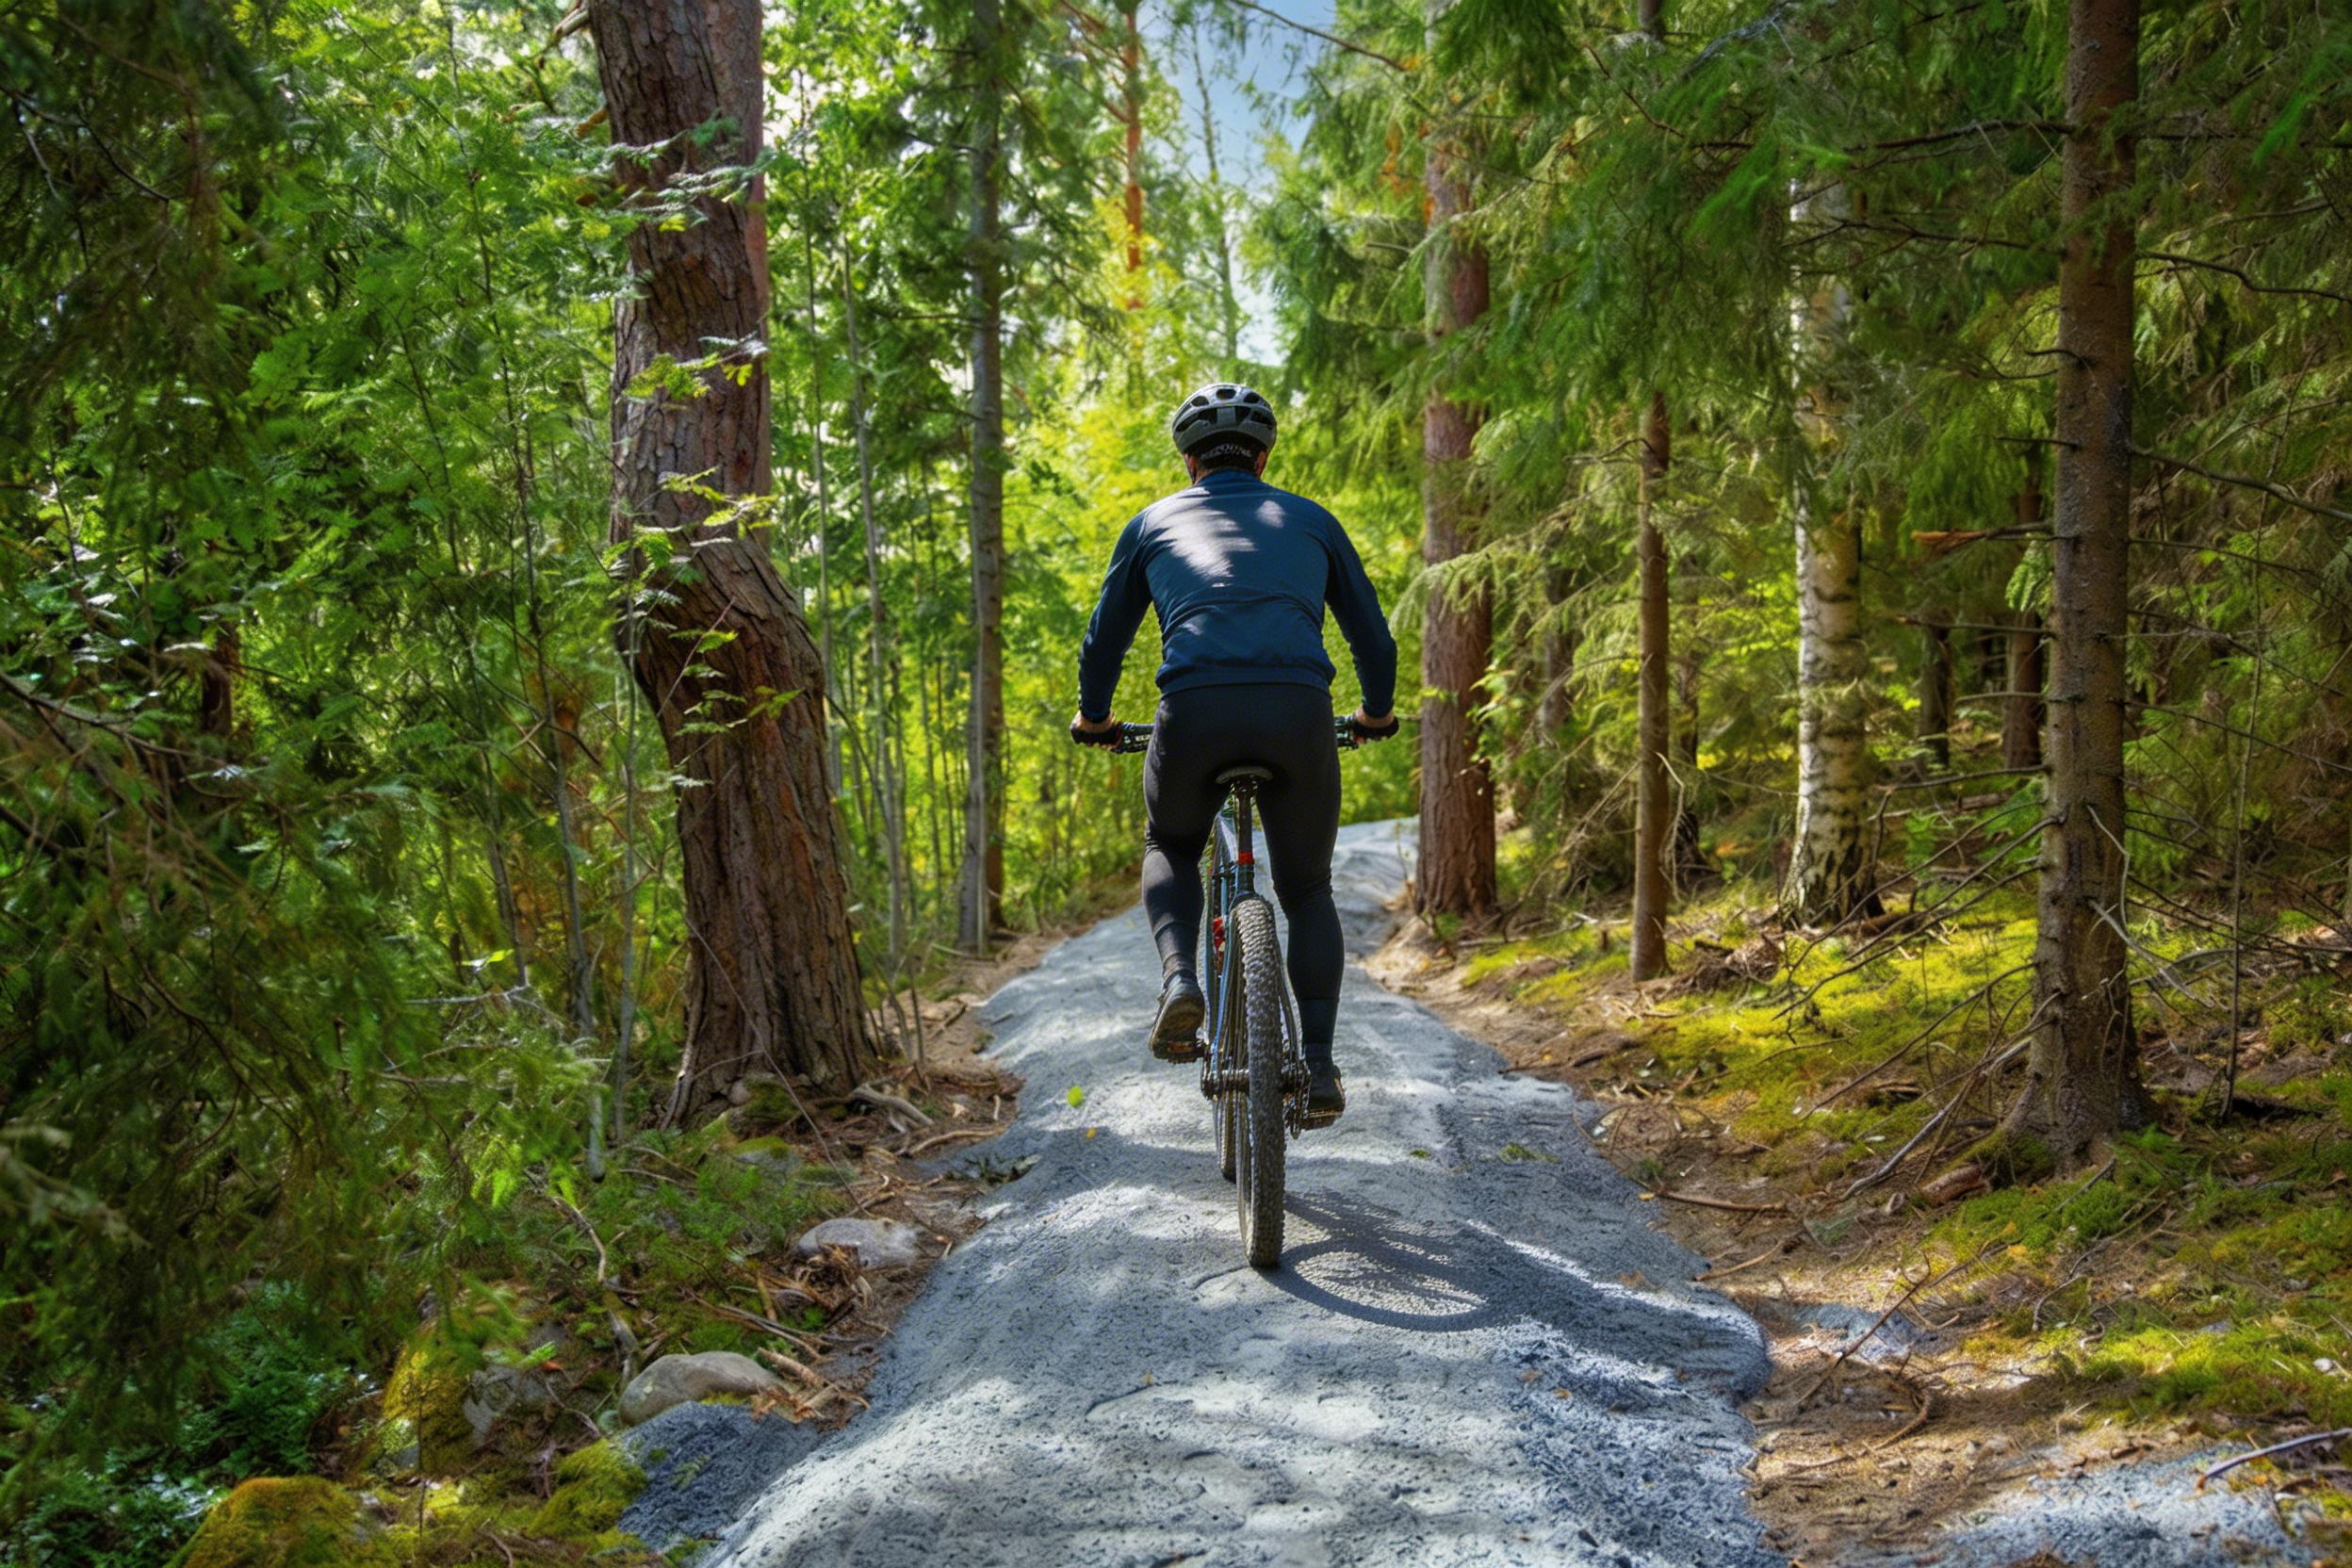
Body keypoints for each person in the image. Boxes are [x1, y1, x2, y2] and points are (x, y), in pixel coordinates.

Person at [1070, 381, 1398, 1124]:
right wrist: (1375, 713)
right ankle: (1316, 1065)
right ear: (1264, 455)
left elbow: (1105, 641)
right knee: (1307, 890)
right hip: (1298, 709)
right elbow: (1373, 638)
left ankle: (1181, 979)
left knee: (1171, 841)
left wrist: (1095, 718)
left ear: (1188, 460)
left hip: (1194, 709)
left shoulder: (1151, 524)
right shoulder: (1311, 520)